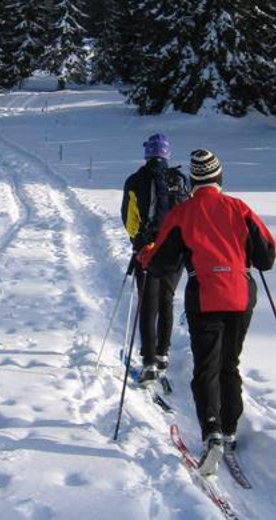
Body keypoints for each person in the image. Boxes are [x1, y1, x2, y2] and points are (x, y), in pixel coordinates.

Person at [138, 148, 276, 476]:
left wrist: (144, 255)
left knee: (206, 366)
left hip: (205, 294)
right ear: (219, 177)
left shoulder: (184, 213)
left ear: (194, 181)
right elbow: (267, 256)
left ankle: (212, 430)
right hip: (241, 294)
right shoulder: (239, 208)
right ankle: (229, 428)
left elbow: (161, 263)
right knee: (230, 363)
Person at [121, 133, 189, 385]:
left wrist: (137, 242)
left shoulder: (135, 180)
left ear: (147, 154)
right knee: (166, 300)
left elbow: (129, 217)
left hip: (147, 250)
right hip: (176, 252)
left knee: (148, 304)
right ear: (167, 154)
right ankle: (163, 353)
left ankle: (149, 360)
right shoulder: (179, 180)